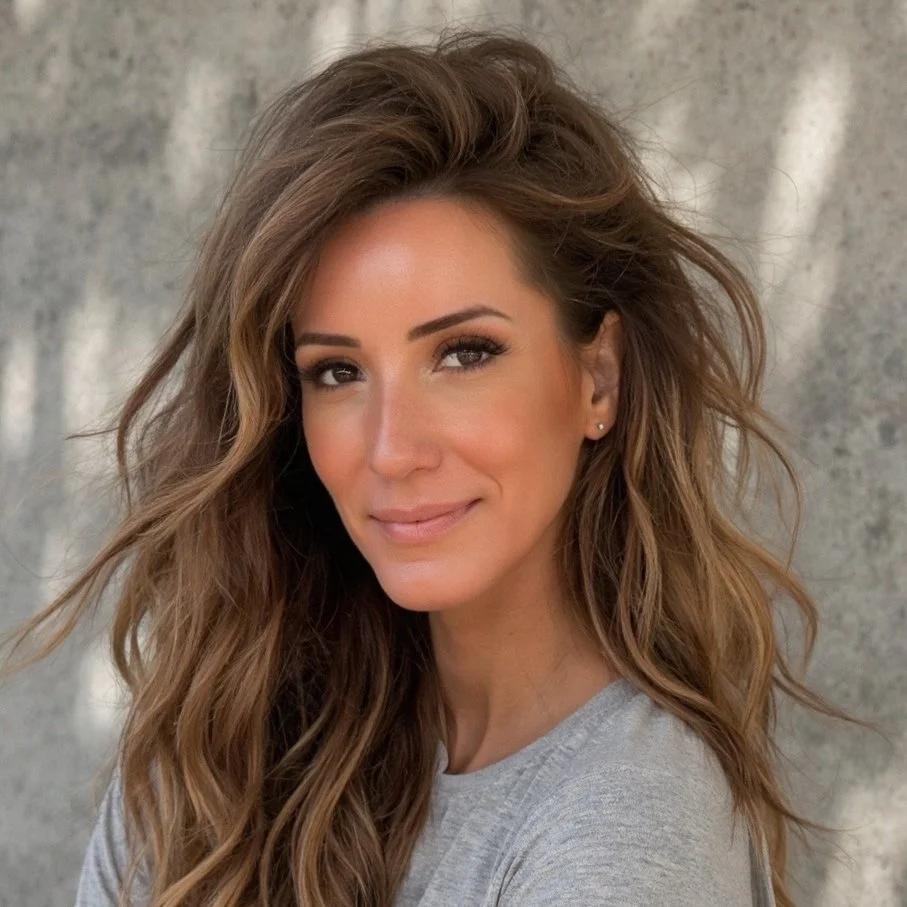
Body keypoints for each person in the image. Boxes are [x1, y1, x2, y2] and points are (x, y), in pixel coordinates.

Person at [1, 27, 859, 907]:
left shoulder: (626, 825)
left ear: (597, 375)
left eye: (463, 353)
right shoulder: (226, 746)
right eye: (337, 371)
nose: (391, 448)